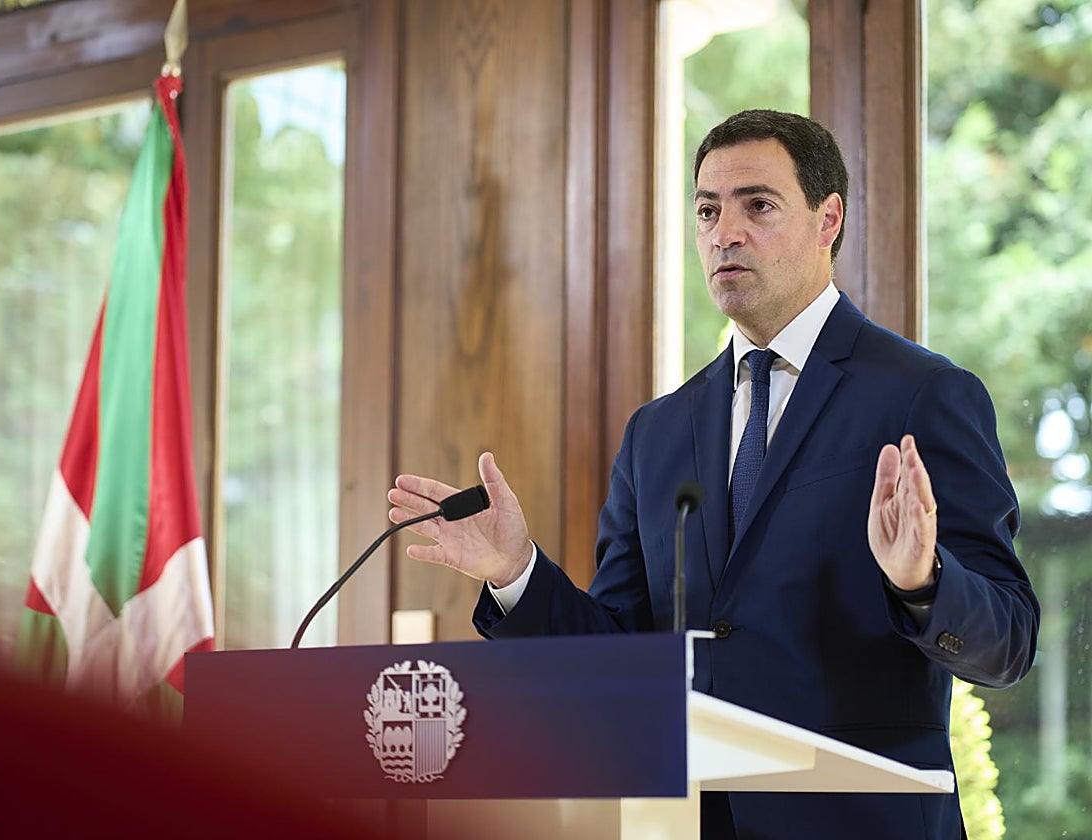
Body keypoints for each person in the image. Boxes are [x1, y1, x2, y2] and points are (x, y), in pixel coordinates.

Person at [387, 109, 1040, 839]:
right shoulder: (656, 433)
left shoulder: (923, 394)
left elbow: (1009, 640)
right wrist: (516, 574)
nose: (724, 232)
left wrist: (922, 582)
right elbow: (623, 657)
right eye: (707, 210)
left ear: (829, 220)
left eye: (757, 205)